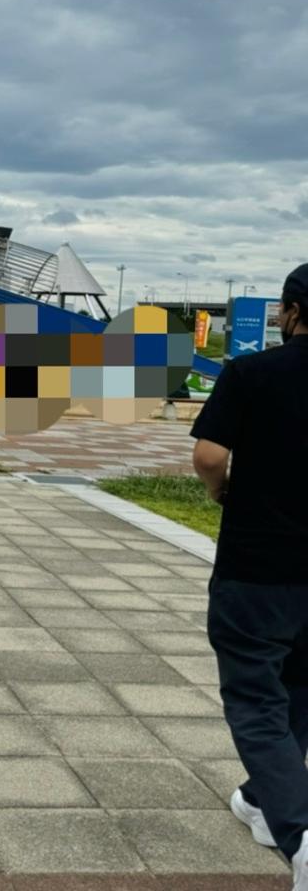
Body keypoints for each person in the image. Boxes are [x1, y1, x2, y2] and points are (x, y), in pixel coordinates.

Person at [191, 262, 308, 888]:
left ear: (290, 312)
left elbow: (209, 456)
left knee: (257, 700)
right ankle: (264, 803)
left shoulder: (252, 372)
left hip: (258, 567)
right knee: (298, 690)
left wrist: (223, 491)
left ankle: (302, 834)